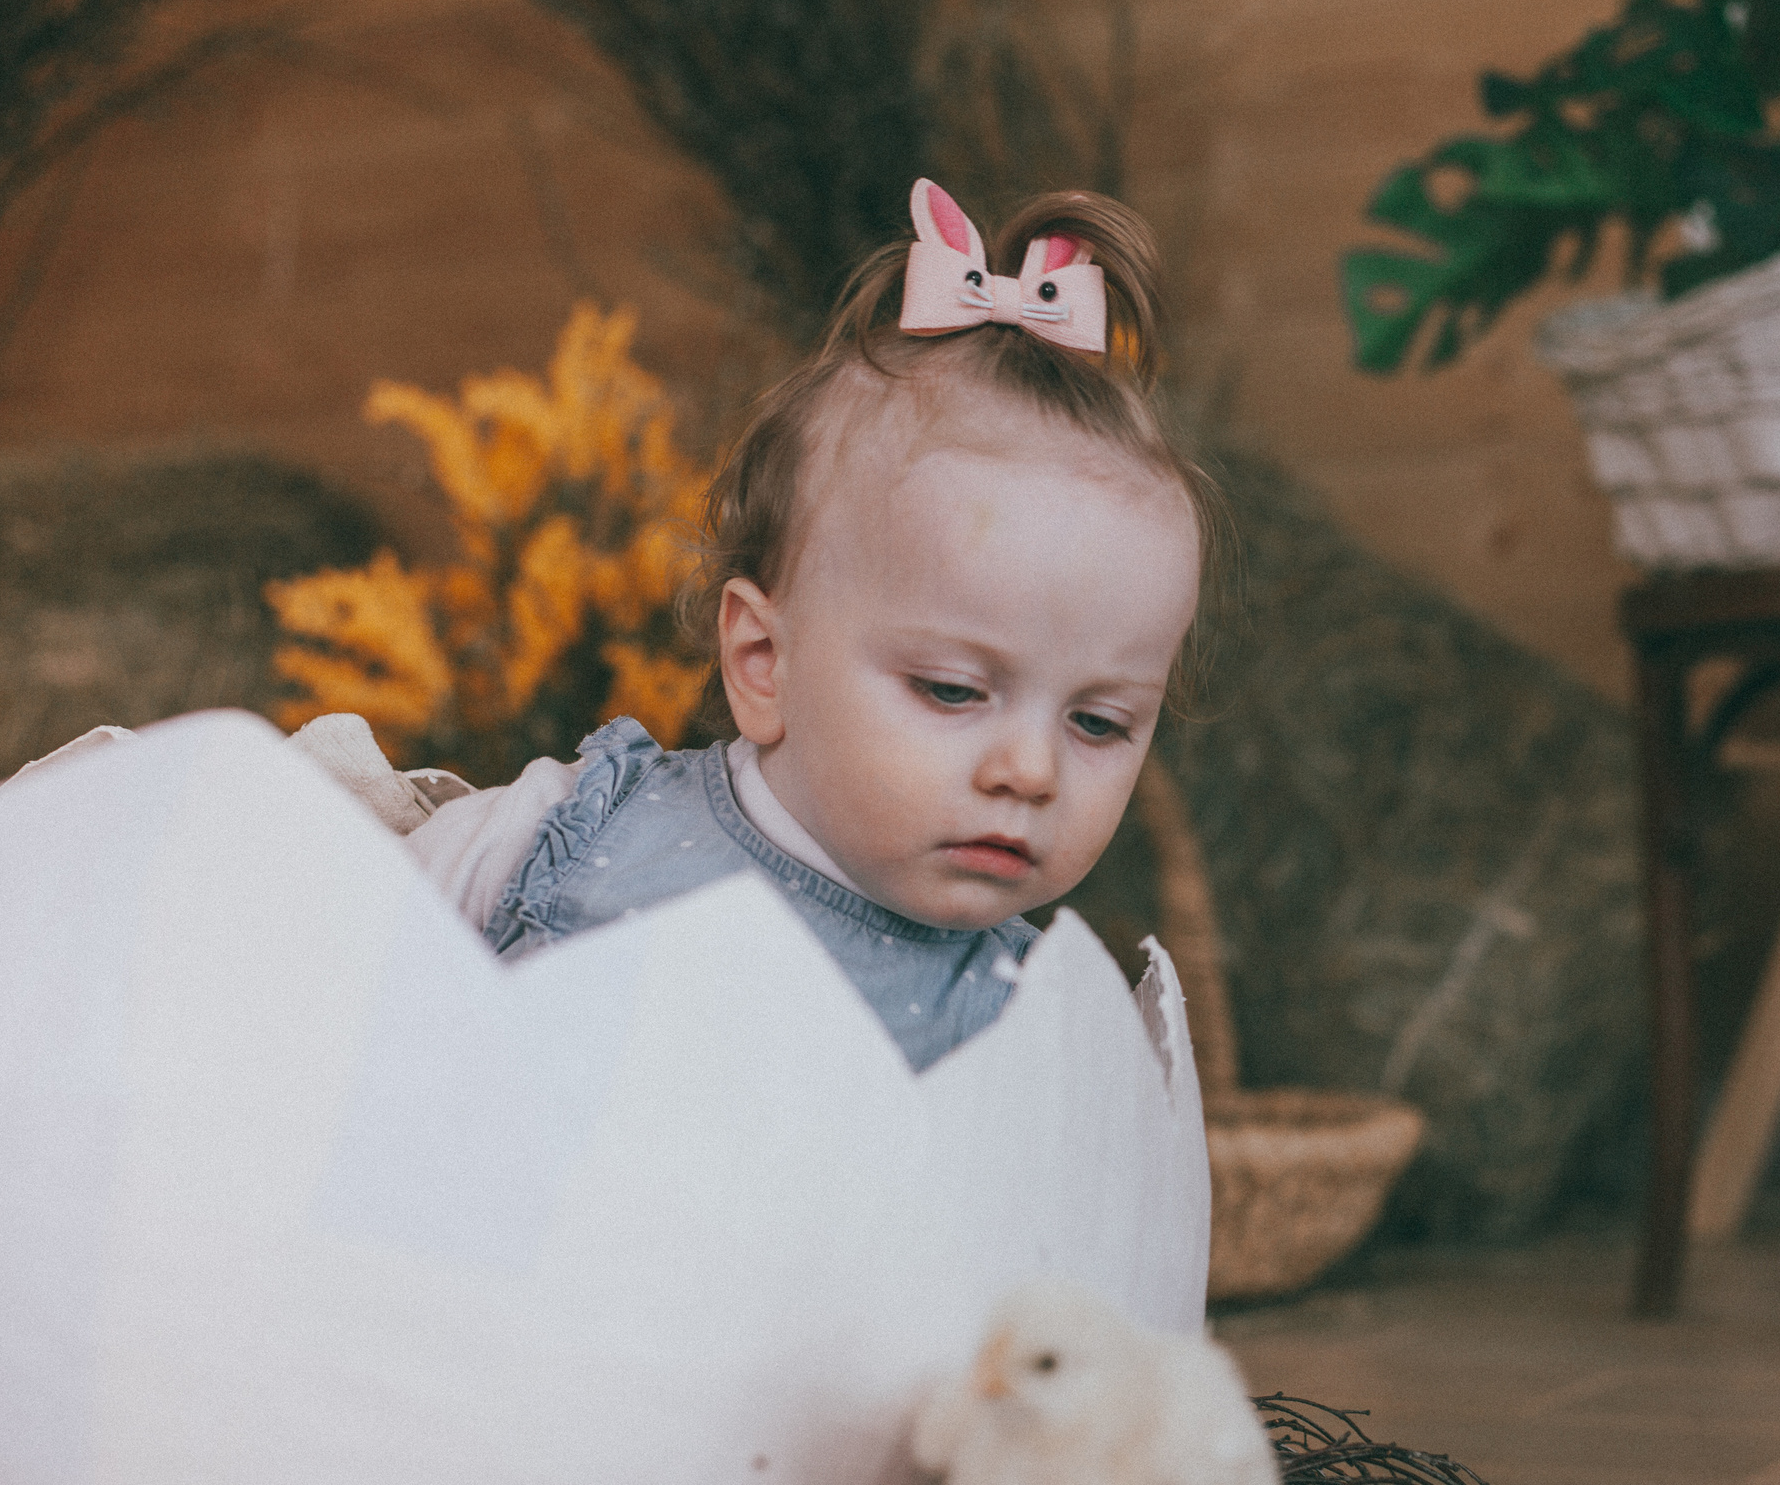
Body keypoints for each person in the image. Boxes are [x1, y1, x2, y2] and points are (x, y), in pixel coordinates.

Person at [406, 179, 1227, 1071]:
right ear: (763, 661)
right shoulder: (567, 834)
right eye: (953, 689)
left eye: (1099, 722)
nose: (1031, 771)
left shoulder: (1039, 1041)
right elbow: (312, 999)